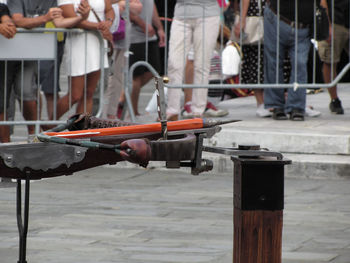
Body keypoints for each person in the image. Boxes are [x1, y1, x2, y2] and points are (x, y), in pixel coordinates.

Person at [263, 0, 325, 121]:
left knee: (300, 65)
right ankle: (276, 105)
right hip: (277, 17)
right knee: (273, 63)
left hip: (303, 26)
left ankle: (296, 107)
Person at [55, 0, 114, 119]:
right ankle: (48, 124)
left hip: (98, 42)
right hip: (78, 44)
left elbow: (109, 9)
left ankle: (81, 128)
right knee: (75, 95)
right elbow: (72, 19)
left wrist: (108, 22)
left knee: (89, 92)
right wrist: (99, 26)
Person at [166, 0, 221, 121]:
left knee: (202, 64)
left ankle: (198, 110)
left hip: (208, 14)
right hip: (181, 13)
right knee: (174, 63)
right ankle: (172, 110)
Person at [103, 0, 142, 119]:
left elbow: (138, 7)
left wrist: (122, 4)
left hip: (121, 39)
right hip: (103, 37)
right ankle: (101, 114)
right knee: (105, 80)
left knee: (117, 79)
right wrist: (121, 4)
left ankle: (111, 114)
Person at [233, 0, 271, 117]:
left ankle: (265, 102)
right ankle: (261, 103)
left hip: (264, 17)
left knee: (261, 62)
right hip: (254, 19)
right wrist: (242, 20)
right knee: (256, 62)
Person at [127, 0, 165, 116]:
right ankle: (132, 111)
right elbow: (124, 8)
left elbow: (151, 6)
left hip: (150, 36)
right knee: (136, 76)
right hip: (134, 37)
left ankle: (125, 96)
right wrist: (142, 24)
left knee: (154, 70)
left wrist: (159, 28)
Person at [318, 0, 349, 115]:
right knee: (330, 61)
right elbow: (323, 2)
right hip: (335, 20)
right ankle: (334, 99)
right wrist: (327, 25)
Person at [0, 2, 16, 144]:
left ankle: (6, 150)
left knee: (1, 108)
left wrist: (7, 25)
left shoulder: (2, 7)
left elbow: (7, 20)